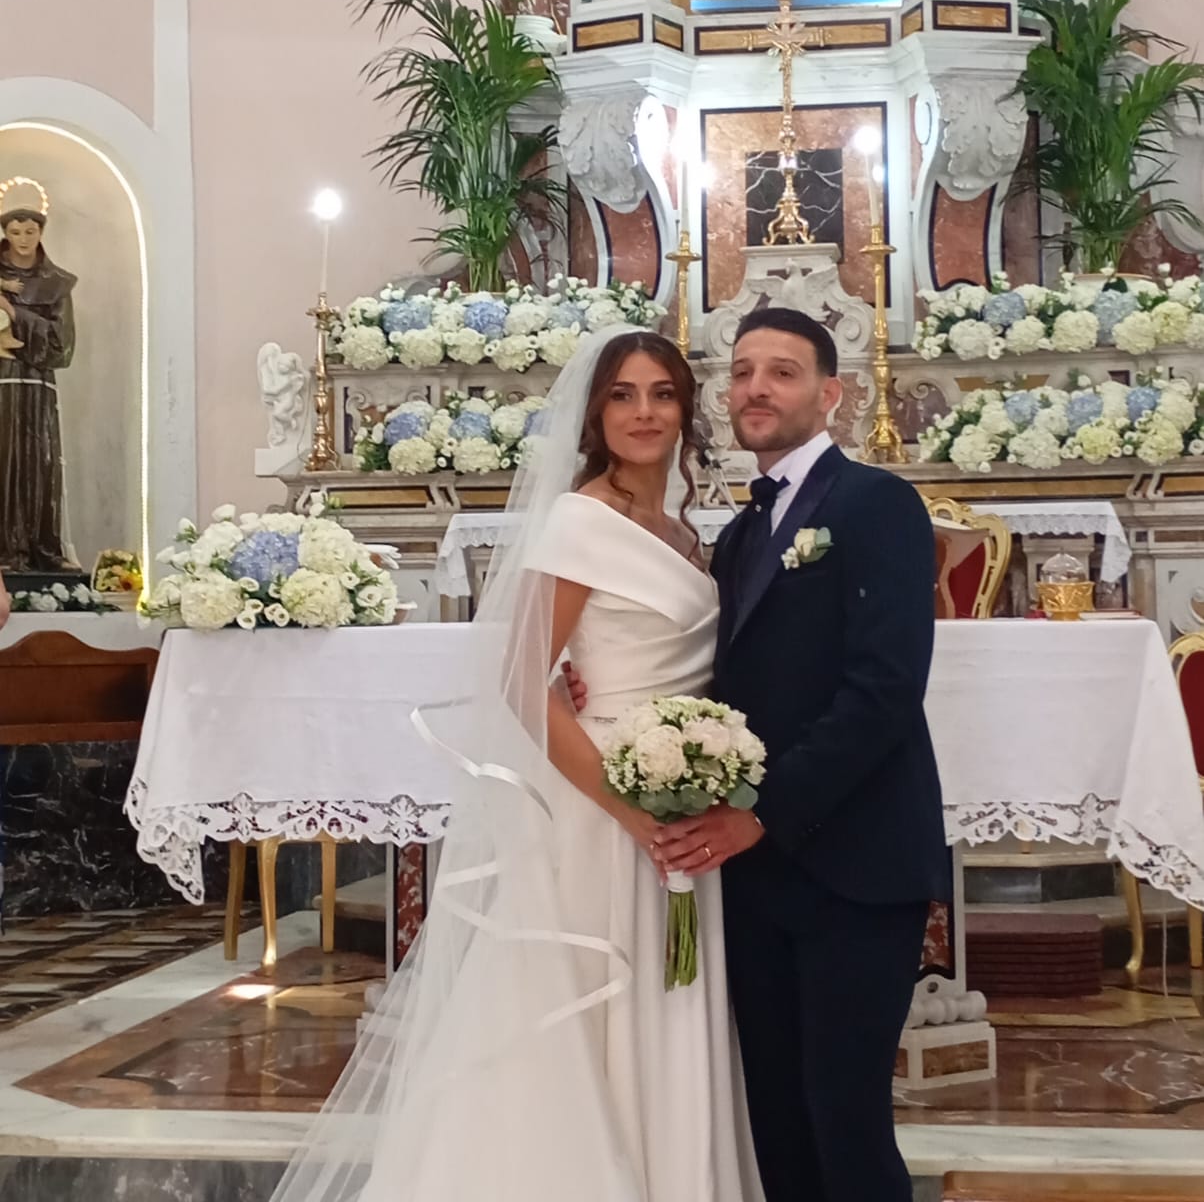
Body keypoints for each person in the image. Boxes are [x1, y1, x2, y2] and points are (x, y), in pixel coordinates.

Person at [269, 326, 761, 1202]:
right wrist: (631, 811)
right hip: (605, 809)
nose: (644, 412)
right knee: (586, 1015)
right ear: (594, 415)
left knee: (661, 1008)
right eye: (622, 395)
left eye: (662, 394)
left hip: (681, 802)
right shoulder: (581, 520)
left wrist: (693, 777)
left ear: (688, 410)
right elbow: (521, 681)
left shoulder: (683, 532)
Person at [656, 307, 951, 1202]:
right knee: (777, 1126)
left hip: (854, 865)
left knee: (845, 1124)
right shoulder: (744, 533)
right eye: (743, 371)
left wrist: (762, 813)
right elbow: (723, 677)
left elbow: (884, 689)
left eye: (782, 372)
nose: (756, 388)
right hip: (759, 879)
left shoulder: (876, 503)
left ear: (832, 395)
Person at [0, 199, 77, 571]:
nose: (23, 239)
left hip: (36, 387)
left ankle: (41, 550)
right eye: (15, 232)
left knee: (38, 463)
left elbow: (62, 347)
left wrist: (15, 313)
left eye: (30, 231)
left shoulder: (55, 284)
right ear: (5, 234)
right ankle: (4, 552)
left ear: (41, 233)